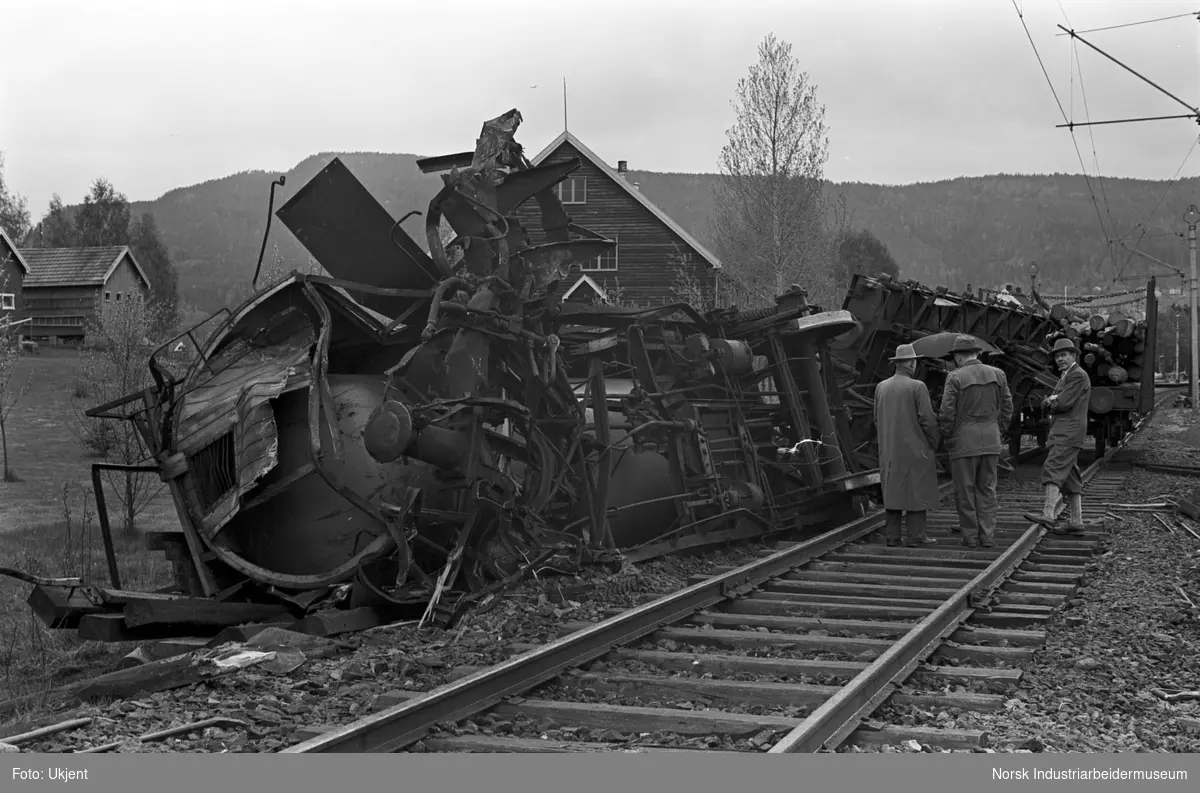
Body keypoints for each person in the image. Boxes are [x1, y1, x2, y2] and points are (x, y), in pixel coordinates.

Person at [938, 335, 1014, 548]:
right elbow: (1008, 407)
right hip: (991, 439)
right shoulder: (998, 374)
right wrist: (998, 430)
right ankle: (987, 535)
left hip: (963, 441)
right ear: (977, 353)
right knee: (987, 488)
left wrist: (948, 435)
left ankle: (970, 536)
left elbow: (946, 413)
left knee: (965, 490)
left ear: (959, 357)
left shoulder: (954, 377)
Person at [874, 343, 941, 547]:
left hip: (890, 449)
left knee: (892, 491)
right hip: (915, 447)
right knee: (917, 490)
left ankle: (892, 537)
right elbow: (927, 419)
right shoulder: (917, 387)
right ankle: (916, 536)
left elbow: (876, 418)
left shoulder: (881, 387)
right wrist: (935, 441)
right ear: (911, 363)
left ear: (897, 364)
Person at [1024, 337, 1092, 535]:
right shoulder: (1067, 375)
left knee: (1053, 467)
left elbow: (1063, 403)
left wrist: (1049, 402)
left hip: (1067, 432)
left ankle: (1048, 514)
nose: (1060, 359)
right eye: (1057, 356)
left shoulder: (1077, 375)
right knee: (1071, 477)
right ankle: (1076, 521)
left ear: (1074, 356)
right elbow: (1060, 400)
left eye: (1064, 355)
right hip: (1066, 431)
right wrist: (1053, 399)